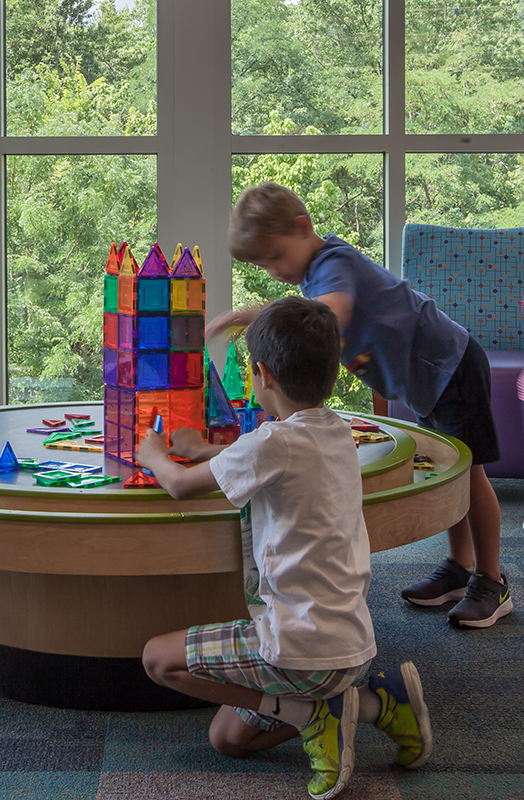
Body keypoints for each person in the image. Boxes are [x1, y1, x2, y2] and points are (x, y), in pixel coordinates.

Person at [137, 297, 431, 800]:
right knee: (227, 739)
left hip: (297, 650)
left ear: (262, 375)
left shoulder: (270, 444)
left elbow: (182, 488)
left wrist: (156, 456)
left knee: (157, 659)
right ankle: (377, 702)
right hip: (352, 644)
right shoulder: (336, 431)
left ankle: (311, 714)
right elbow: (269, 456)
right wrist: (208, 452)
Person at [211, 182, 510, 629]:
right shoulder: (316, 278)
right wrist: (384, 415)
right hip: (426, 379)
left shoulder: (335, 264)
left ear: (303, 227)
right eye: (262, 264)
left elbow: (325, 318)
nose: (273, 270)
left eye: (275, 256)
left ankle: (492, 580)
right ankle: (459, 567)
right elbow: (368, 355)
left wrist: (249, 315)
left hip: (451, 366)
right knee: (453, 469)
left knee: (469, 473)